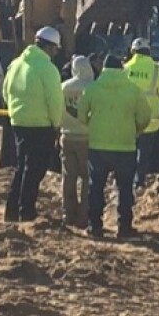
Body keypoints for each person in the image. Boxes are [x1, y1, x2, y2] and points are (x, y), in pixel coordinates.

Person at [78, 55, 151, 239]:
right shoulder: (134, 90)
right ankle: (124, 227)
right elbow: (144, 117)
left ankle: (95, 226)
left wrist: (93, 126)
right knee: (125, 189)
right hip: (125, 146)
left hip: (98, 146)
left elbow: (81, 114)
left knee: (96, 187)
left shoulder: (92, 88)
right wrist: (136, 130)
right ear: (121, 69)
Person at [2, 26, 64, 222]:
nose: (56, 53)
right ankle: (26, 211)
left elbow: (5, 92)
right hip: (41, 126)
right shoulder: (48, 69)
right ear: (50, 47)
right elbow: (55, 101)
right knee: (35, 169)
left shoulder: (16, 64)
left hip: (18, 122)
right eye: (56, 49)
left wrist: (16, 112)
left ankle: (12, 210)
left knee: (22, 167)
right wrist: (57, 124)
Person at [123, 38, 159, 189]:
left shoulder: (124, 69)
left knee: (128, 151)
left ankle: (126, 178)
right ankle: (139, 181)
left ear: (133, 51)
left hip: (127, 119)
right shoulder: (157, 71)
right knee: (144, 154)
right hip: (150, 122)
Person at [59, 55, 94, 227]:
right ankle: (84, 215)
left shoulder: (64, 87)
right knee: (88, 179)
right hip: (87, 138)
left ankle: (68, 213)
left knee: (68, 177)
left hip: (67, 136)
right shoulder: (93, 87)